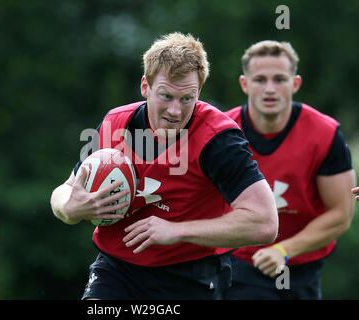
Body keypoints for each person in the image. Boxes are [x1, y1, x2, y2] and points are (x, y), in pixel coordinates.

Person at [50, 33, 278, 300]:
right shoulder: (116, 123)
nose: (175, 111)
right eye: (166, 95)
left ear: (199, 93)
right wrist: (70, 208)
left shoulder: (219, 140)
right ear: (145, 86)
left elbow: (265, 222)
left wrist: (178, 230)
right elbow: (65, 190)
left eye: (186, 99)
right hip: (117, 269)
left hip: (189, 277)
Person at [223, 40, 356, 300]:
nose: (270, 89)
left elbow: (341, 213)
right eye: (260, 79)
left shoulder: (325, 134)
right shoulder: (222, 132)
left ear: (295, 84)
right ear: (245, 84)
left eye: (280, 79)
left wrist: (283, 250)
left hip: (302, 268)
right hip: (238, 264)